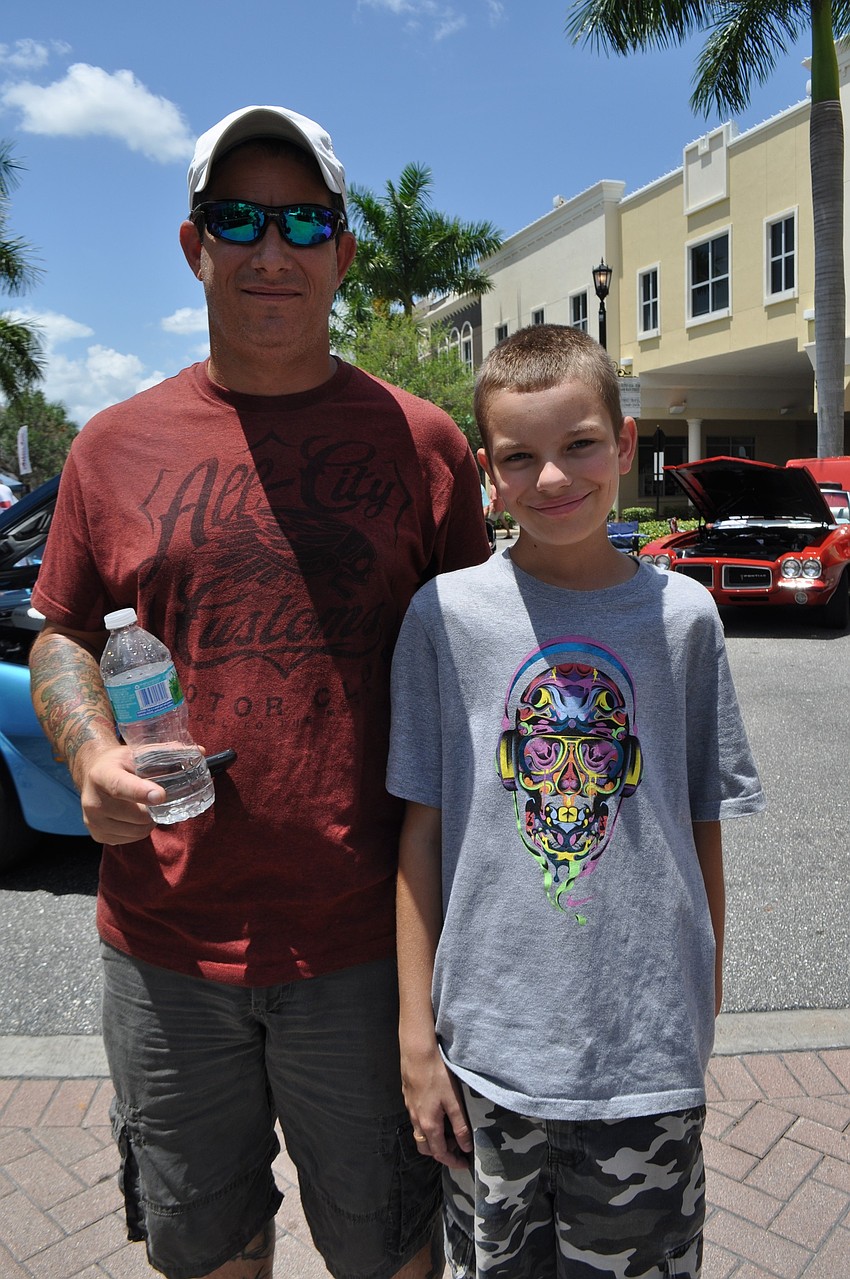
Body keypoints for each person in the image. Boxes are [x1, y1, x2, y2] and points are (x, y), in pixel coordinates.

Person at [28, 105, 490, 1279]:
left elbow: (485, 673)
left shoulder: (422, 444)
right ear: (195, 247)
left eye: (302, 222)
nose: (270, 249)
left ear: (342, 250)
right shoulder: (110, 447)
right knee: (205, 1252)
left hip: (367, 948)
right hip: (165, 945)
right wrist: (89, 755)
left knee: (393, 1250)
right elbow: (63, 632)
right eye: (237, 220)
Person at [387, 324, 765, 1278]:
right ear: (486, 472)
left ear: (626, 443)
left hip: (643, 1057)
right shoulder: (445, 617)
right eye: (519, 456)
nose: (552, 476)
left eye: (580, 444)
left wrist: (702, 994)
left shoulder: (685, 618)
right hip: (487, 1058)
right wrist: (416, 1037)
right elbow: (422, 835)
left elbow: (701, 823)